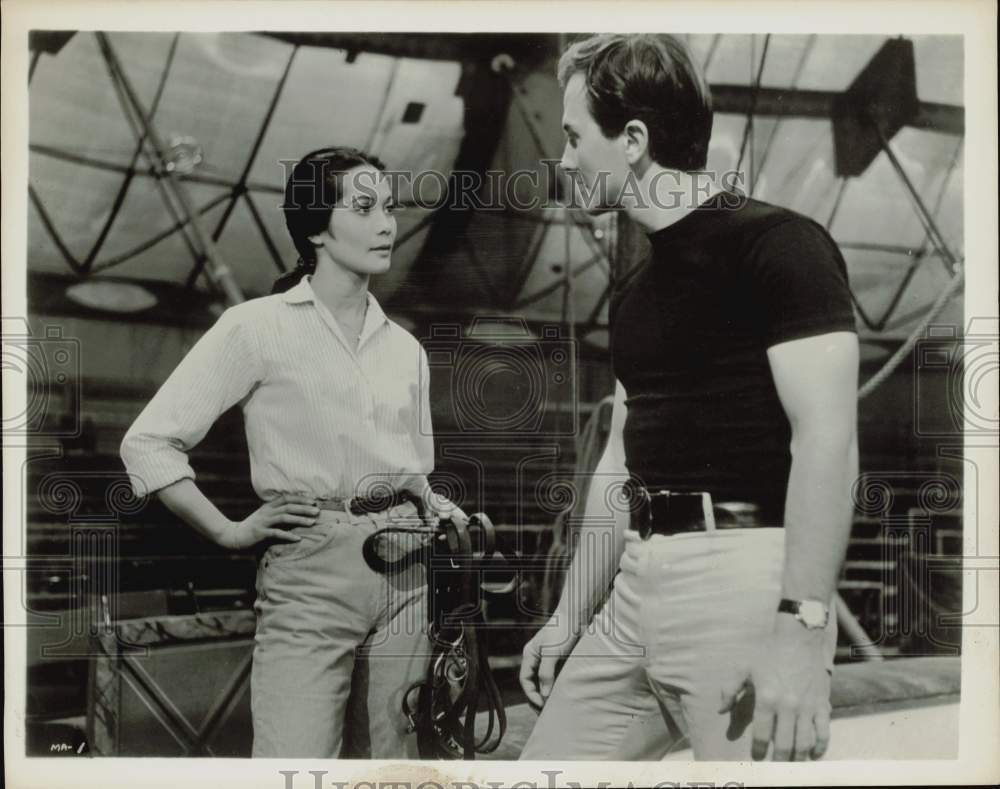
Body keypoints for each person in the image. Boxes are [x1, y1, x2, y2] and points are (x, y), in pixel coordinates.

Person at [519, 34, 859, 762]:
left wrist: (802, 627)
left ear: (634, 139)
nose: (566, 160)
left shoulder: (781, 246)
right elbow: (617, 461)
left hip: (743, 576)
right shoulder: (635, 292)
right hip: (639, 578)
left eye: (575, 137)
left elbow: (827, 440)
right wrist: (566, 618)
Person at [120, 146, 465, 758]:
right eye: (364, 207)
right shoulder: (254, 327)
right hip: (310, 572)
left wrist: (438, 508)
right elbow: (148, 443)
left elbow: (414, 473)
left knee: (393, 768)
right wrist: (228, 532)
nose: (387, 223)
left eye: (389, 206)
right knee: (293, 766)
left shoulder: (407, 348)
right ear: (315, 228)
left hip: (410, 566)